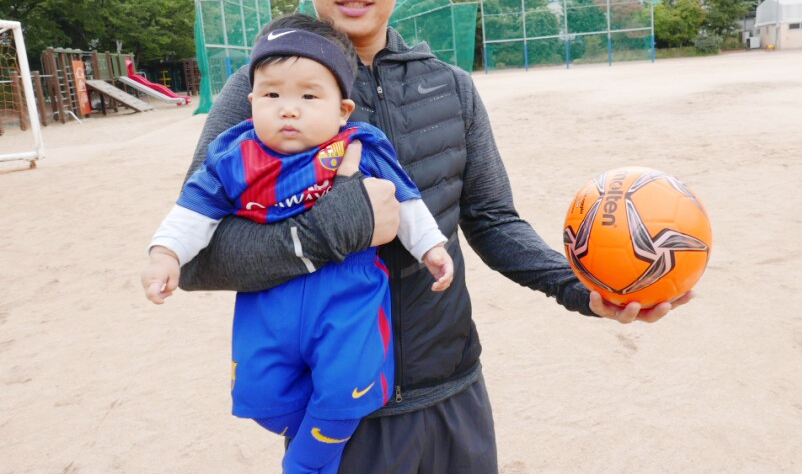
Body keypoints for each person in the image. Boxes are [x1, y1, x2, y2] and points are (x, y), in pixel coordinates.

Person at [177, 3, 693, 473]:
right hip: (342, 410)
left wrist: (582, 286)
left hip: (454, 390)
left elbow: (492, 219)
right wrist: (335, 228)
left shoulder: (450, 86)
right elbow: (195, 257)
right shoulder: (268, 88)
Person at [141, 15, 453, 474]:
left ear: (342, 110)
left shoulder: (360, 144)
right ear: (251, 102)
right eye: (272, 96)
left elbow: (405, 201)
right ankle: (320, 429)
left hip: (348, 296)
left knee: (344, 390)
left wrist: (431, 247)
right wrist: (165, 253)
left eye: (309, 96)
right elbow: (194, 208)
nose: (288, 109)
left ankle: (306, 462)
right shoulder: (234, 154)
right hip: (269, 300)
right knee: (257, 397)